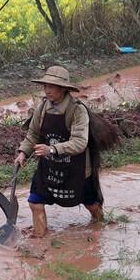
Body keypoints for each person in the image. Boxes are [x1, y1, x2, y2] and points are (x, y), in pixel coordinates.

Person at [14, 65, 105, 237]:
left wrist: (52, 149)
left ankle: (100, 229)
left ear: (63, 89)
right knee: (35, 202)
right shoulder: (42, 107)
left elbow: (80, 142)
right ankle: (40, 241)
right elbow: (33, 133)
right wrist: (23, 153)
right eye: (45, 86)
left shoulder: (77, 110)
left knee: (91, 204)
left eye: (51, 86)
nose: (47, 90)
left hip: (76, 169)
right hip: (49, 167)